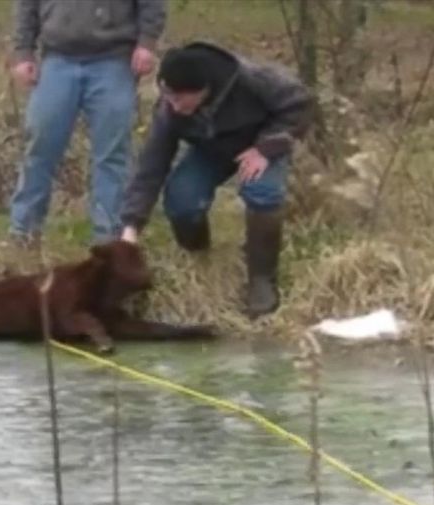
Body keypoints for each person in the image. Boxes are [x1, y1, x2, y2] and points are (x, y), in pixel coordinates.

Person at [118, 41, 314, 320]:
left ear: (203, 91)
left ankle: (262, 282)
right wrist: (131, 226)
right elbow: (152, 164)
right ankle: (199, 256)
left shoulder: (254, 79)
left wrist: (266, 148)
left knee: (262, 192)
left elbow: (300, 104)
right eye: (167, 96)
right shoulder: (169, 107)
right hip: (212, 151)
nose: (171, 105)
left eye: (178, 99)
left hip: (261, 146)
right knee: (182, 201)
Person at [8, 0, 167, 250]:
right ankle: (24, 233)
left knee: (112, 154)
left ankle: (109, 240)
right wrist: (23, 52)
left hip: (113, 60)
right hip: (57, 59)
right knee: (40, 147)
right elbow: (26, 4)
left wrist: (147, 43)